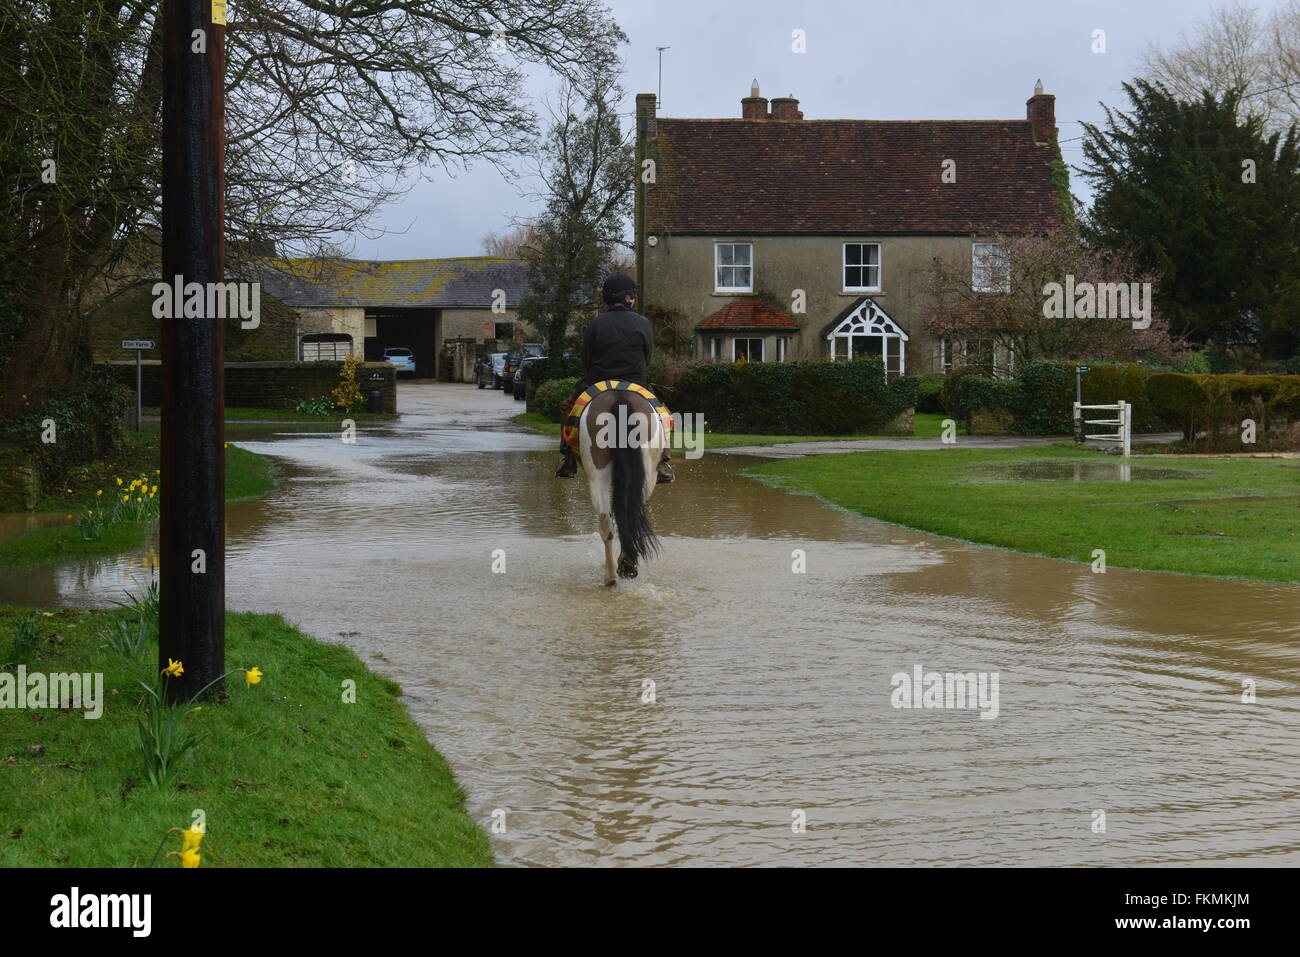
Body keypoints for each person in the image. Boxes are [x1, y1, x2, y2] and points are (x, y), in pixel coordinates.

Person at [555, 273, 673, 483]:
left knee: (566, 408)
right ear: (627, 298)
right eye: (632, 294)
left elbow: (586, 360)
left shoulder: (596, 324)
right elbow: (647, 357)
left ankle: (569, 457)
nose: (633, 298)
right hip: (636, 384)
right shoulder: (643, 323)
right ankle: (663, 461)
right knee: (663, 416)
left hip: (597, 383)